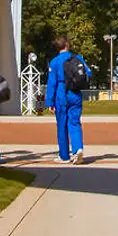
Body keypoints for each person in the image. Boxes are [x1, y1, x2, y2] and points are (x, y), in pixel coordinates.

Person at [45, 36, 87, 164]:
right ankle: (78, 148)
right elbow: (87, 73)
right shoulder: (77, 59)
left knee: (62, 125)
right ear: (67, 45)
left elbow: (51, 83)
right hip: (75, 92)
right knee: (74, 122)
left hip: (61, 93)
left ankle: (64, 156)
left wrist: (50, 102)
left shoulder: (54, 62)